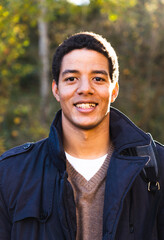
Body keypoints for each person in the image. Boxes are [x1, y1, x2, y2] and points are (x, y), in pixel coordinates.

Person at [0, 32, 164, 240]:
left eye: (97, 78)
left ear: (113, 90)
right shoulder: (9, 174)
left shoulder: (158, 168)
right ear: (56, 90)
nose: (85, 89)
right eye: (71, 79)